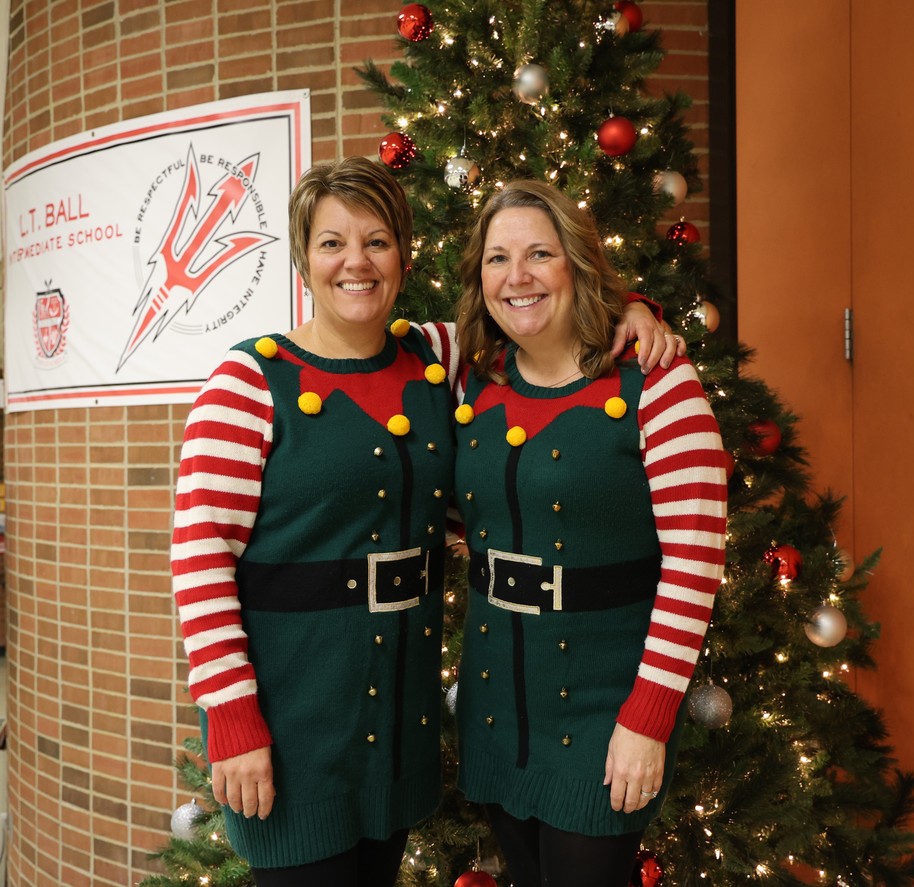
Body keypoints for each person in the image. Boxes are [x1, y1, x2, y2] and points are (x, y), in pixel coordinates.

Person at [171, 157, 679, 886]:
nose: (355, 261)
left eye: (376, 240)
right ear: (302, 259)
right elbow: (198, 561)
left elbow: (536, 309)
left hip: (391, 729)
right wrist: (232, 715)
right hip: (290, 727)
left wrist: (633, 308)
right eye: (331, 242)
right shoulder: (248, 382)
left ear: (403, 257)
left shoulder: (440, 359)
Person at [452, 180, 729, 887]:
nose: (517, 277)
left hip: (606, 716)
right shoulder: (469, 382)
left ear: (576, 263)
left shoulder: (658, 384)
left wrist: (649, 716)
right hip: (497, 713)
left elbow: (695, 565)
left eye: (540, 253)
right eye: (497, 258)